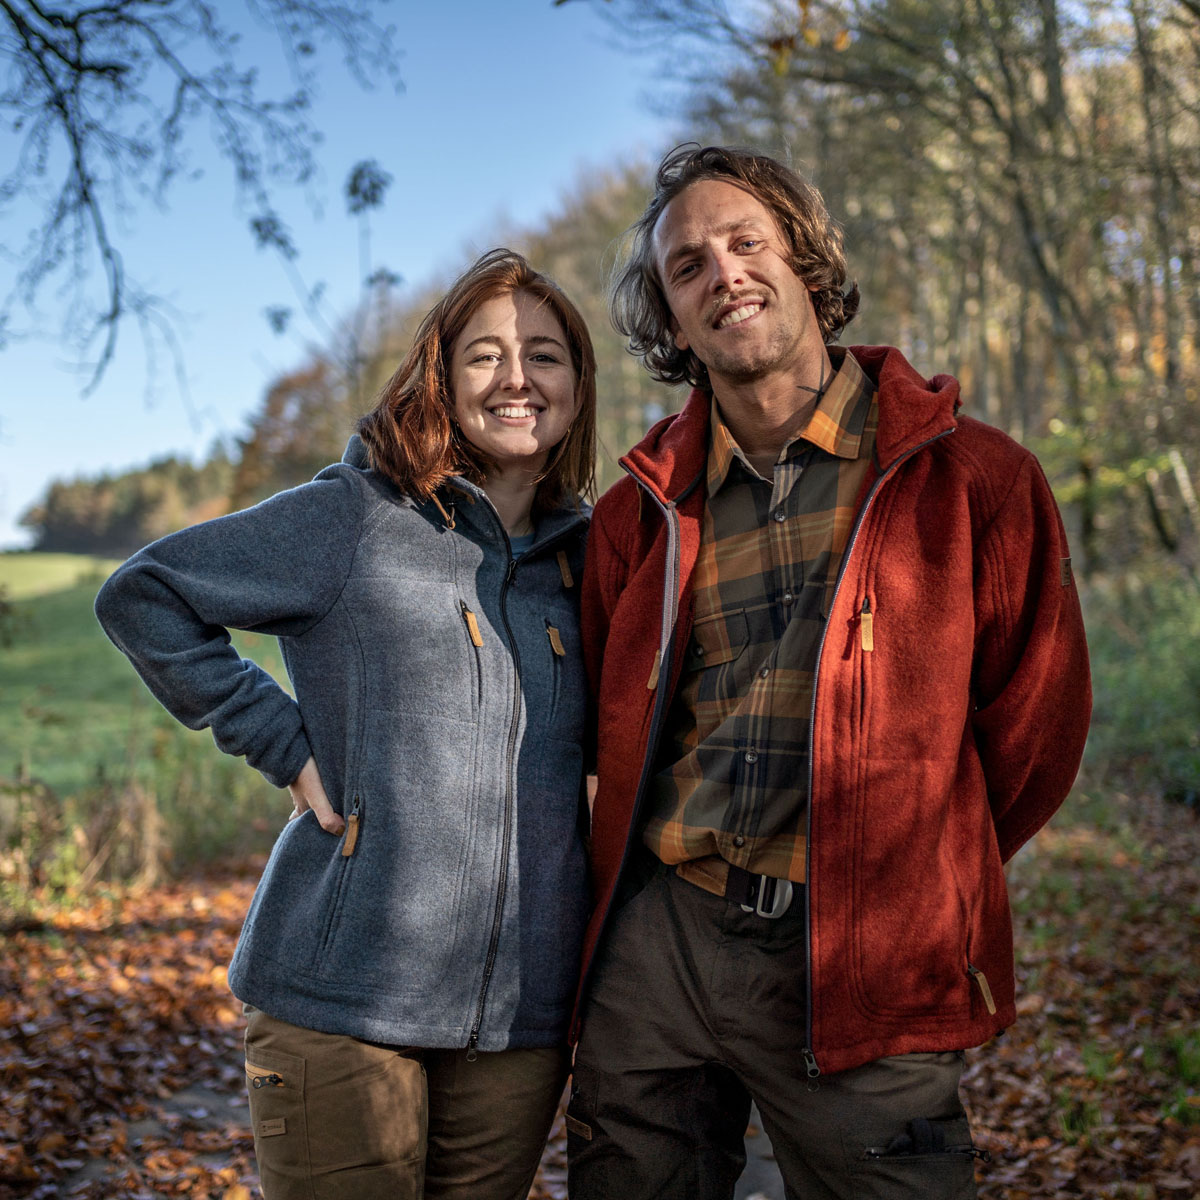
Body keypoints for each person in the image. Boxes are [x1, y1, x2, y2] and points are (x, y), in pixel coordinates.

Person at [566, 145, 1092, 1200]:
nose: (724, 274)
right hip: (661, 945)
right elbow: (602, 727)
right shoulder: (639, 512)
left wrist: (912, 872)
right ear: (671, 321)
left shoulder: (974, 481)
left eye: (746, 241)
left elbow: (1034, 733)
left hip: (861, 950)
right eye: (687, 267)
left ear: (804, 262)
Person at [95, 248, 597, 1200]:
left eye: (546, 354)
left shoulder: (589, 563)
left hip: (519, 1027)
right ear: (441, 382)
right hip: (341, 1004)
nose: (518, 377)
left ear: (578, 384)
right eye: (485, 355)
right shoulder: (357, 518)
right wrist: (283, 744)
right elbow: (145, 593)